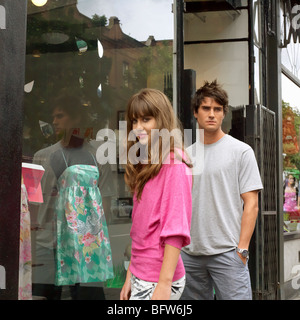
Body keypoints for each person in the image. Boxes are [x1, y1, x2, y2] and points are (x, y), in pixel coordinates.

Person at [181, 80, 263, 300]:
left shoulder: (241, 152)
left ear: (224, 113)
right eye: (206, 108)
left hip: (228, 253)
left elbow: (252, 204)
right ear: (196, 113)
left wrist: (242, 251)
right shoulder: (184, 156)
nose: (211, 114)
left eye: (217, 109)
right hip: (189, 254)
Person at [30, 94, 115, 300]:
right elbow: (33, 205)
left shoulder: (97, 157)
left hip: (86, 246)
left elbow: (105, 206)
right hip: (46, 244)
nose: (54, 121)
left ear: (77, 118)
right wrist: (31, 245)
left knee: (87, 297)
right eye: (53, 116)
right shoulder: (42, 156)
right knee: (44, 295)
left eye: (61, 116)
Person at [120, 88, 193, 300]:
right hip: (141, 273)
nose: (138, 127)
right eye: (134, 121)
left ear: (161, 120)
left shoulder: (174, 163)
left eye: (146, 119)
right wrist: (130, 275)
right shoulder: (146, 162)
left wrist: (164, 285)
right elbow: (140, 228)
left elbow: (176, 229)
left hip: (158, 278)